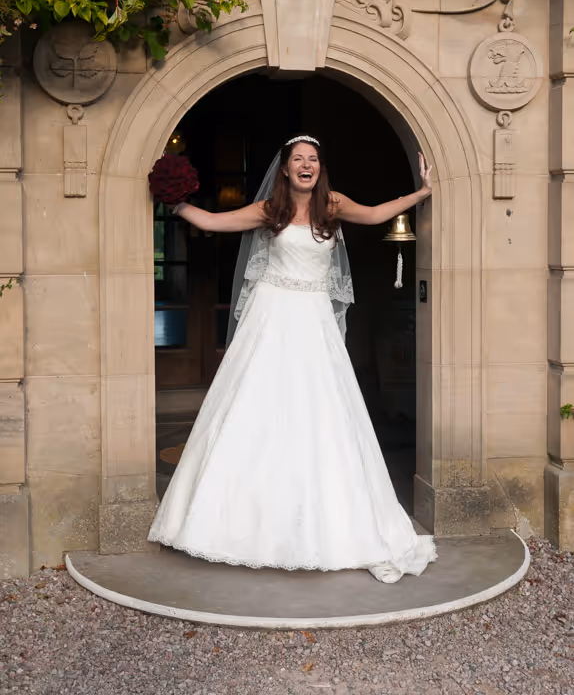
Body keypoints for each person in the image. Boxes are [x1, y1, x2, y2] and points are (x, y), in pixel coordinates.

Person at [148, 135, 437, 583]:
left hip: (314, 320)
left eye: (314, 159)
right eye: (298, 159)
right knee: (256, 410)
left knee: (321, 415)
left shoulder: (333, 204)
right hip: (271, 315)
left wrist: (422, 192)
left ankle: (331, 525)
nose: (307, 165)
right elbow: (213, 222)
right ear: (284, 169)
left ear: (321, 168)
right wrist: (175, 199)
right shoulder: (269, 210)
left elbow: (378, 213)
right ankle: (234, 525)